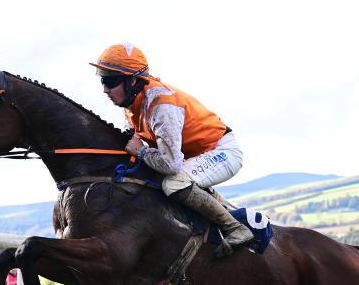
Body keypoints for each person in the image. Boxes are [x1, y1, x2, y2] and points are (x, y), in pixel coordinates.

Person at [90, 43, 254, 257]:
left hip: (221, 152)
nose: (105, 89)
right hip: (194, 156)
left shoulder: (162, 106)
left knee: (173, 183)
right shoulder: (132, 105)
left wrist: (141, 152)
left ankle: (236, 229)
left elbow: (171, 164)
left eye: (110, 82)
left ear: (133, 81)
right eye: (102, 80)